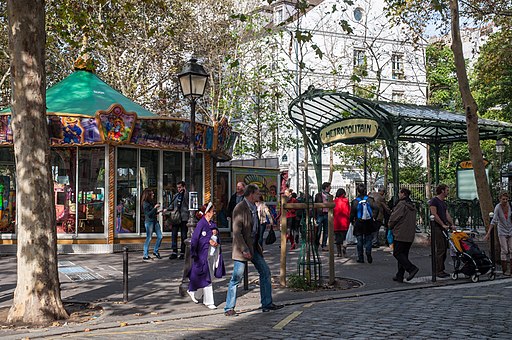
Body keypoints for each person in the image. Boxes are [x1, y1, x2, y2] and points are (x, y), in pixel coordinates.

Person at [224, 184, 283, 316]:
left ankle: (267, 303)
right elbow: (237, 232)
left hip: (254, 247)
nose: (259, 195)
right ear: (251, 194)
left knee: (265, 272)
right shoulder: (240, 208)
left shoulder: (254, 207)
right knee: (236, 277)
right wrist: (244, 249)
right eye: (257, 193)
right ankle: (229, 307)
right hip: (242, 248)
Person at [187, 202, 226, 309]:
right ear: (207, 212)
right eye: (213, 211)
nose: (214, 213)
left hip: (212, 254)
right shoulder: (201, 224)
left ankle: (194, 292)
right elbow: (196, 238)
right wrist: (208, 240)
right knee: (207, 278)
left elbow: (215, 232)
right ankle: (209, 301)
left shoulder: (212, 223)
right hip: (203, 255)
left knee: (210, 276)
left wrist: (215, 234)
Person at [388, 188, 419, 282]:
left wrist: (390, 225)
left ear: (403, 194)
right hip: (409, 233)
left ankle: (411, 268)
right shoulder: (412, 206)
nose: (398, 195)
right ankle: (399, 275)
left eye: (400, 193)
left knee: (397, 253)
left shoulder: (401, 205)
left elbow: (395, 217)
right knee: (403, 255)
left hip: (400, 233)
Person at [429, 184, 454, 278]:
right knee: (440, 249)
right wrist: (442, 224)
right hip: (437, 227)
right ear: (442, 191)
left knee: (444, 249)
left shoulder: (443, 202)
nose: (448, 192)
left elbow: (447, 214)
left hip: (443, 228)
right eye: (447, 190)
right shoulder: (434, 201)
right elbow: (434, 214)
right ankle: (438, 270)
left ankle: (441, 269)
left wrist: (452, 224)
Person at [485, 191, 512, 276]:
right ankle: (504, 270)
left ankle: (511, 270)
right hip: (502, 231)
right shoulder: (498, 207)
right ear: (500, 199)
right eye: (503, 199)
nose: (504, 201)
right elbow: (494, 221)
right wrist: (488, 233)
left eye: (506, 199)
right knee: (504, 250)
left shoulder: (510, 206)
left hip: (510, 230)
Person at [350, 183, 377, 263]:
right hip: (368, 222)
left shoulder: (355, 201)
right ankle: (368, 252)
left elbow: (352, 213)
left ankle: (360, 257)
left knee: (359, 240)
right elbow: (376, 208)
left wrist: (351, 221)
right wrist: (374, 217)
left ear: (357, 191)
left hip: (359, 222)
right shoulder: (370, 200)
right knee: (368, 238)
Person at [141, 188, 164, 261]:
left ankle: (155, 251)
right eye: (152, 193)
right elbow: (148, 214)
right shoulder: (145, 203)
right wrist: (155, 208)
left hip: (154, 221)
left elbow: (153, 213)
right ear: (148, 195)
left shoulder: (150, 202)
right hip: (149, 222)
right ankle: (145, 254)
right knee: (149, 237)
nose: (153, 194)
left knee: (160, 236)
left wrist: (158, 211)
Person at [170, 181, 190, 260]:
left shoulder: (187, 195)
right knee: (174, 235)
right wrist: (166, 210)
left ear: (184, 187)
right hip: (176, 218)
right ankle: (174, 251)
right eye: (178, 187)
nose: (179, 189)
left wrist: (185, 193)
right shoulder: (175, 195)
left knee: (183, 236)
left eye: (180, 187)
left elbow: (189, 204)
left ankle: (182, 252)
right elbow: (172, 205)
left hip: (184, 218)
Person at [315, 182, 332, 251]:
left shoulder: (330, 196)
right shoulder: (318, 195)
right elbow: (315, 205)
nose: (330, 188)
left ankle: (324, 245)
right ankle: (316, 244)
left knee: (326, 231)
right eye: (329, 187)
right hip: (320, 214)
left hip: (327, 214)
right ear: (326, 187)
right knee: (318, 230)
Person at [333, 188, 350, 257]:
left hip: (336, 222)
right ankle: (344, 250)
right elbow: (349, 211)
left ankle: (339, 252)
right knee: (344, 237)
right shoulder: (346, 201)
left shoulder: (334, 201)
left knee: (337, 238)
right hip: (345, 222)